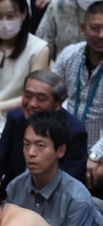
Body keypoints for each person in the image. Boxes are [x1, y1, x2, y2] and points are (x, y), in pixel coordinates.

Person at [6, 111, 101, 226]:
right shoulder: (14, 187)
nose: (31, 153)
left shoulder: (77, 199)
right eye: (26, 144)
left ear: (60, 150)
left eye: (40, 145)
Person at [0, 70, 88, 187]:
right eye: (28, 96)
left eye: (41, 99)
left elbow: (69, 183)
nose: (32, 104)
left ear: (58, 103)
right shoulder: (16, 119)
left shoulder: (75, 132)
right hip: (12, 192)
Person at [53, 2, 103, 194]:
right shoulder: (70, 54)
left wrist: (96, 155)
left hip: (96, 150)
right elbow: (52, 94)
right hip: (66, 143)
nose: (101, 35)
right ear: (83, 27)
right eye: (95, 28)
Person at [0, 0, 48, 114]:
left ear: (23, 14)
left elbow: (34, 94)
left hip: (19, 117)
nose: (4, 23)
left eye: (10, 16)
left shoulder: (39, 49)